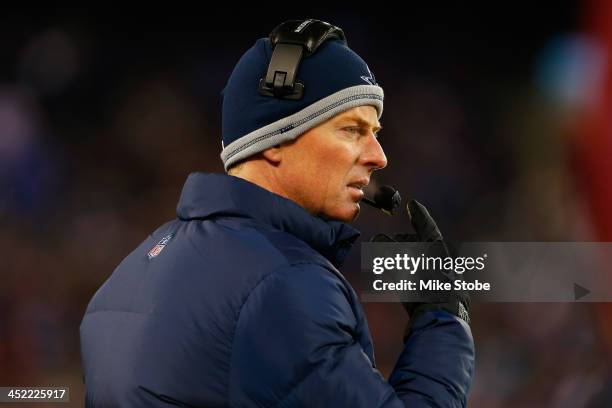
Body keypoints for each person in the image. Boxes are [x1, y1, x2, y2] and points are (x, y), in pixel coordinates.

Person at [80, 19, 474, 407]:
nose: (378, 157)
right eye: (352, 130)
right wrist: (442, 317)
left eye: (375, 133)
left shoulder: (134, 269)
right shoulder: (285, 284)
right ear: (273, 138)